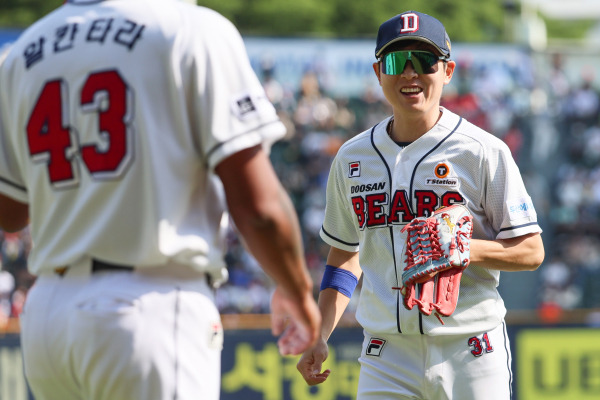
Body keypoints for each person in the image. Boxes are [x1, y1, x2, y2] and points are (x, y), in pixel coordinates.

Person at [0, 0, 321, 399]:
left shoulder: (25, 50)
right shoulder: (190, 29)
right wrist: (297, 288)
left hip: (48, 315)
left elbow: (10, 211)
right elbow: (259, 208)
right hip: (149, 304)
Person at [297, 10, 545, 400]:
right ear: (379, 72)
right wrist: (320, 333)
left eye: (425, 60)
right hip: (386, 353)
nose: (411, 73)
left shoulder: (482, 151)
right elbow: (344, 255)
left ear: (447, 71)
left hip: (471, 347)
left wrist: (464, 249)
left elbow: (531, 251)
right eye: (397, 61)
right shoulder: (351, 158)